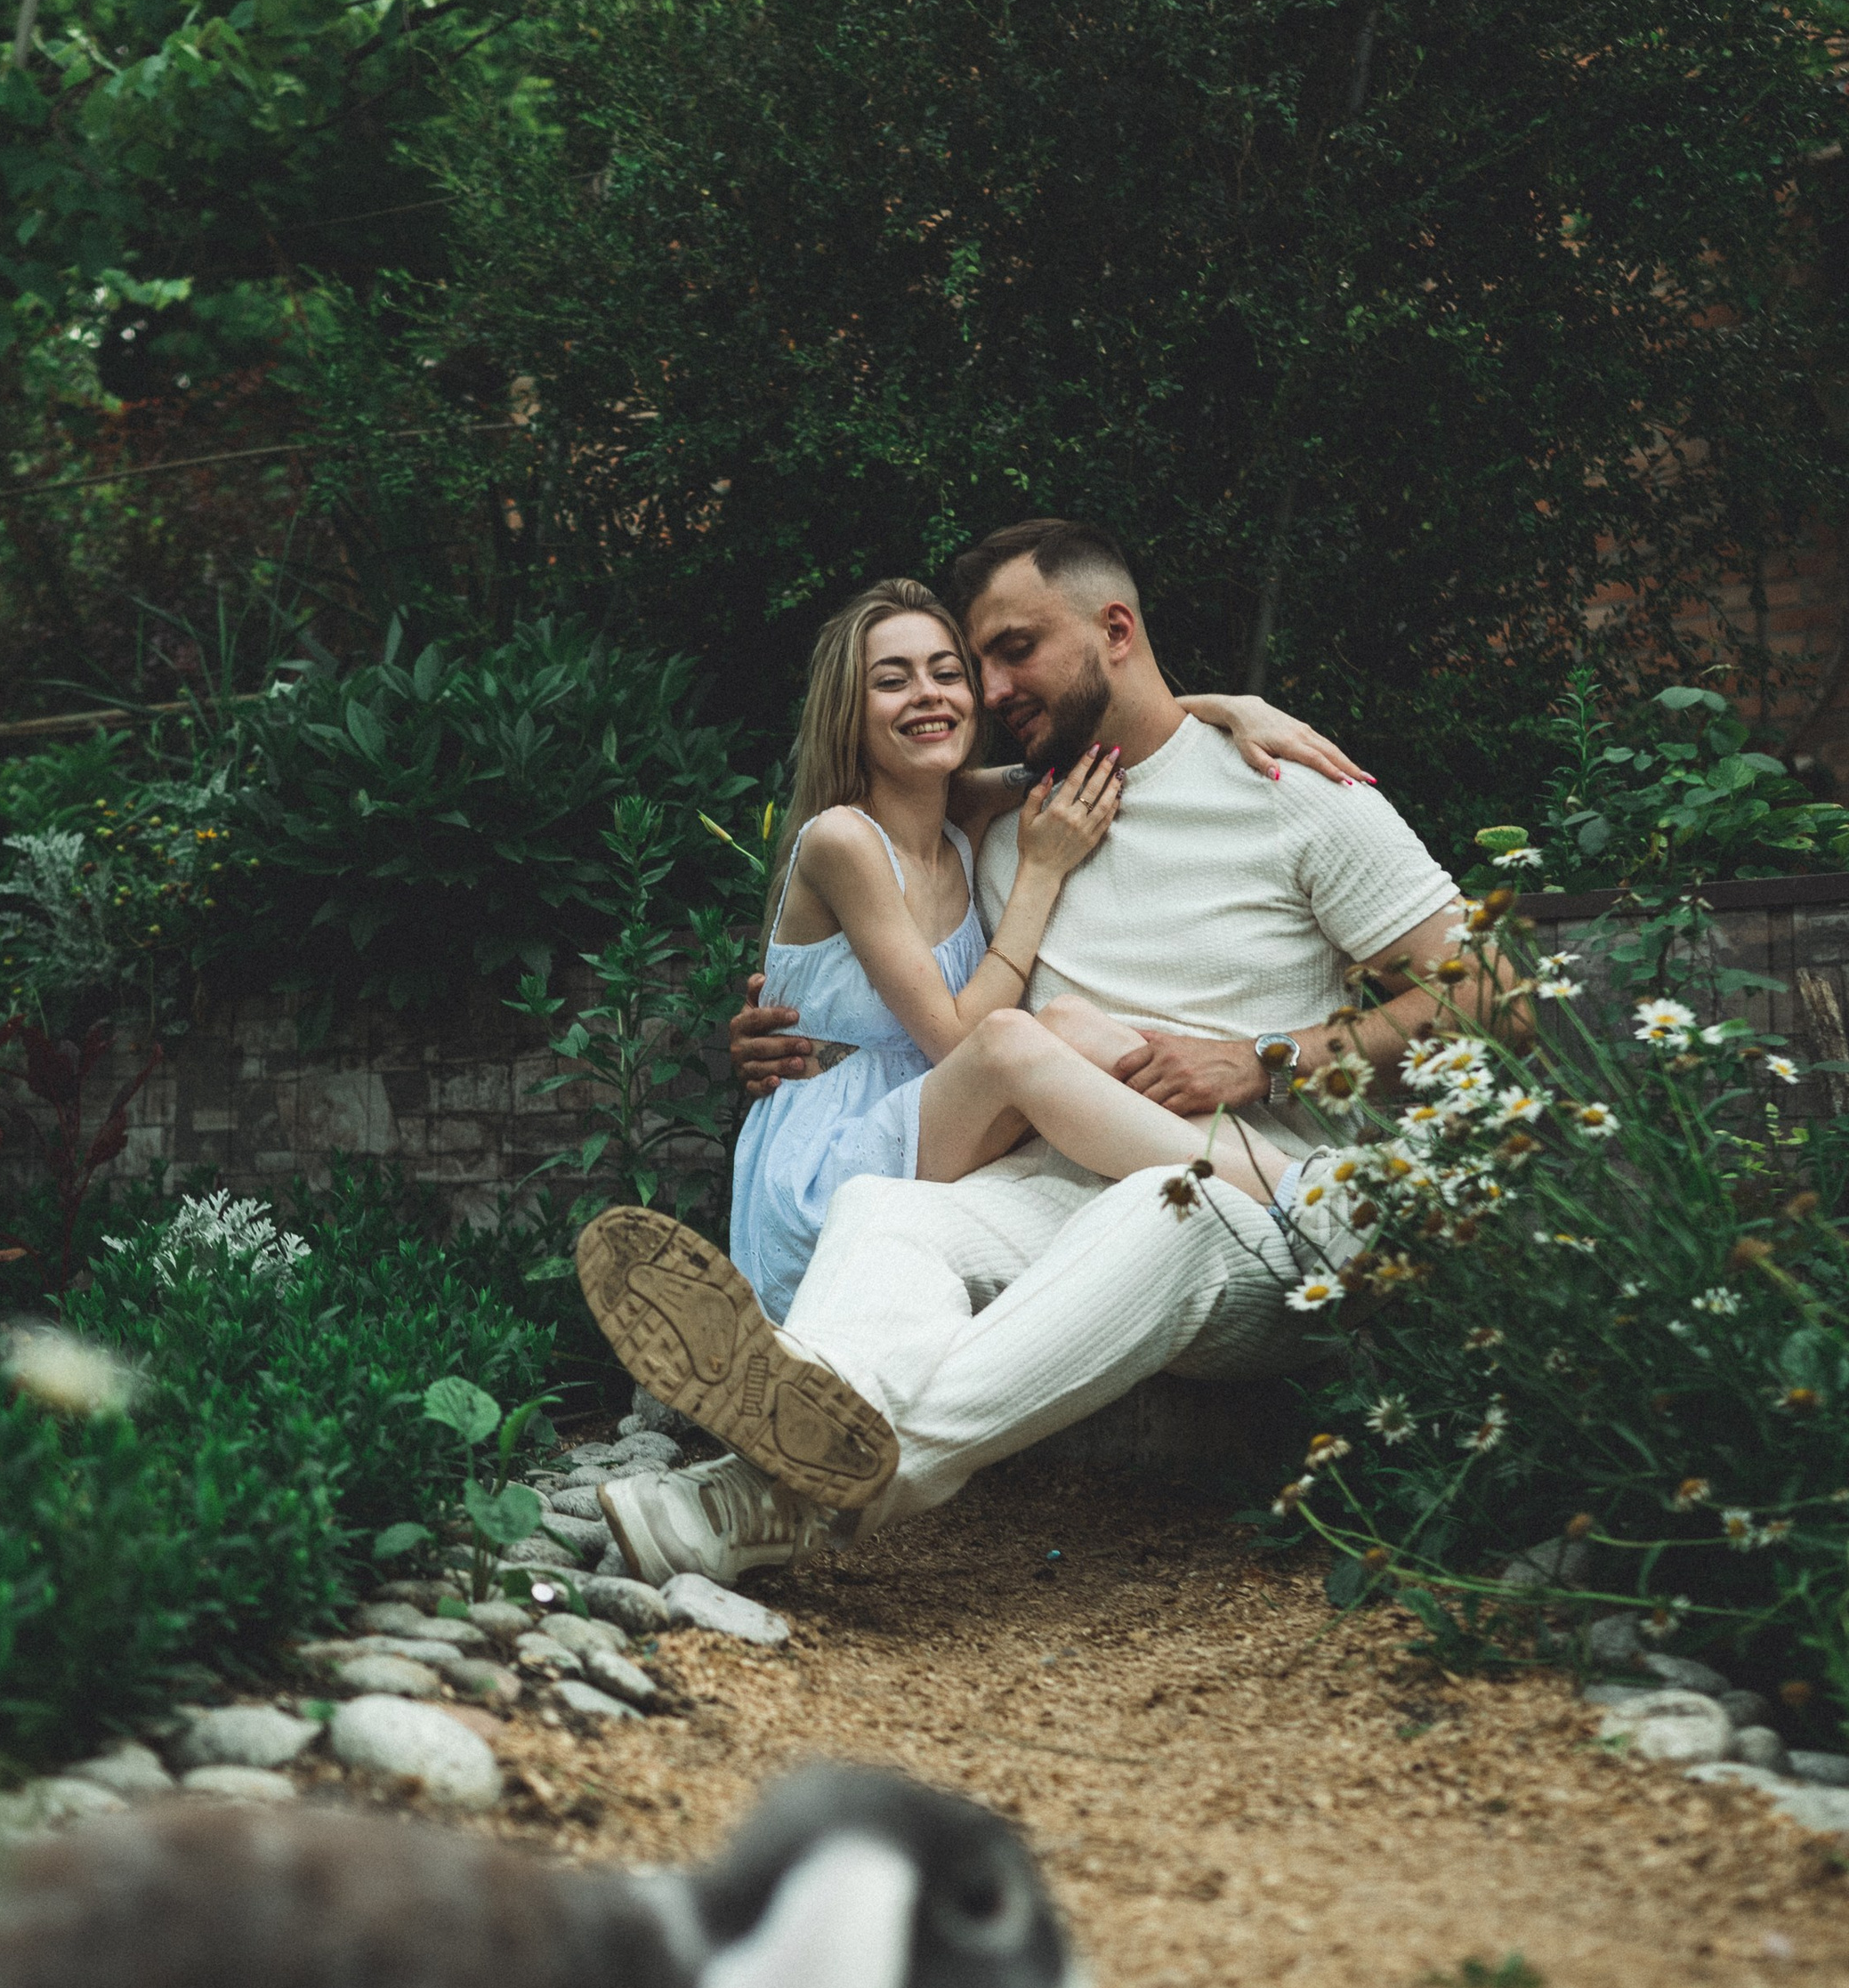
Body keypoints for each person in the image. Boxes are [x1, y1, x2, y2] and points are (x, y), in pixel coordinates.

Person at [574, 517, 1487, 1590]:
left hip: (1257, 1214)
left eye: (1012, 650)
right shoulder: (1015, 817)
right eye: (981, 661)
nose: (991, 688)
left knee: (1162, 1206)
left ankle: (768, 1499)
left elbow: (1493, 998)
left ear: (1114, 629)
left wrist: (1266, 1059)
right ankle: (797, 1434)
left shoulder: (1290, 791)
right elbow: (896, 930)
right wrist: (791, 1024)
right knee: (884, 1206)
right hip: (1054, 1180)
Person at [730, 578, 1365, 1321]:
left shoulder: (960, 810)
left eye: (945, 673)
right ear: (850, 710)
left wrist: (1231, 708)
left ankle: (1308, 1185)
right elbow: (958, 1043)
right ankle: (1303, 1199)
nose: (928, 695)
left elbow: (1117, 736)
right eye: (892, 681)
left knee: (1066, 1021)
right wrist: (1040, 870)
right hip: (828, 1173)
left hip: (929, 1135)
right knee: (1006, 1040)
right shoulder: (845, 839)